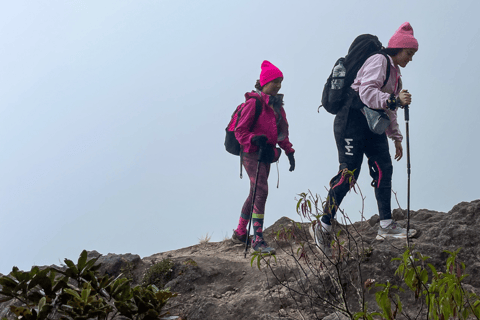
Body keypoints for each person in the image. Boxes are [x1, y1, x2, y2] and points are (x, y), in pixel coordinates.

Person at [312, 22, 419, 256]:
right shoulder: (379, 61)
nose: (410, 58)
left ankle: (386, 225)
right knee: (349, 174)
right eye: (409, 53)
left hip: (371, 126)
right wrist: (394, 100)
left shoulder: (395, 74)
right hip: (350, 121)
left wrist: (396, 137)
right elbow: (367, 93)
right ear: (398, 48)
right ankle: (324, 224)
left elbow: (388, 109)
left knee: (384, 167)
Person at [231, 60, 295, 254]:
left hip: (266, 154)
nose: (278, 85)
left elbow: (282, 132)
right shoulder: (253, 103)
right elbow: (240, 131)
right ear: (265, 82)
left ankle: (241, 232)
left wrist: (289, 151)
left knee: (255, 191)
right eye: (276, 81)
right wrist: (254, 138)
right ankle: (257, 240)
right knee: (261, 190)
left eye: (280, 82)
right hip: (251, 153)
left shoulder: (277, 106)